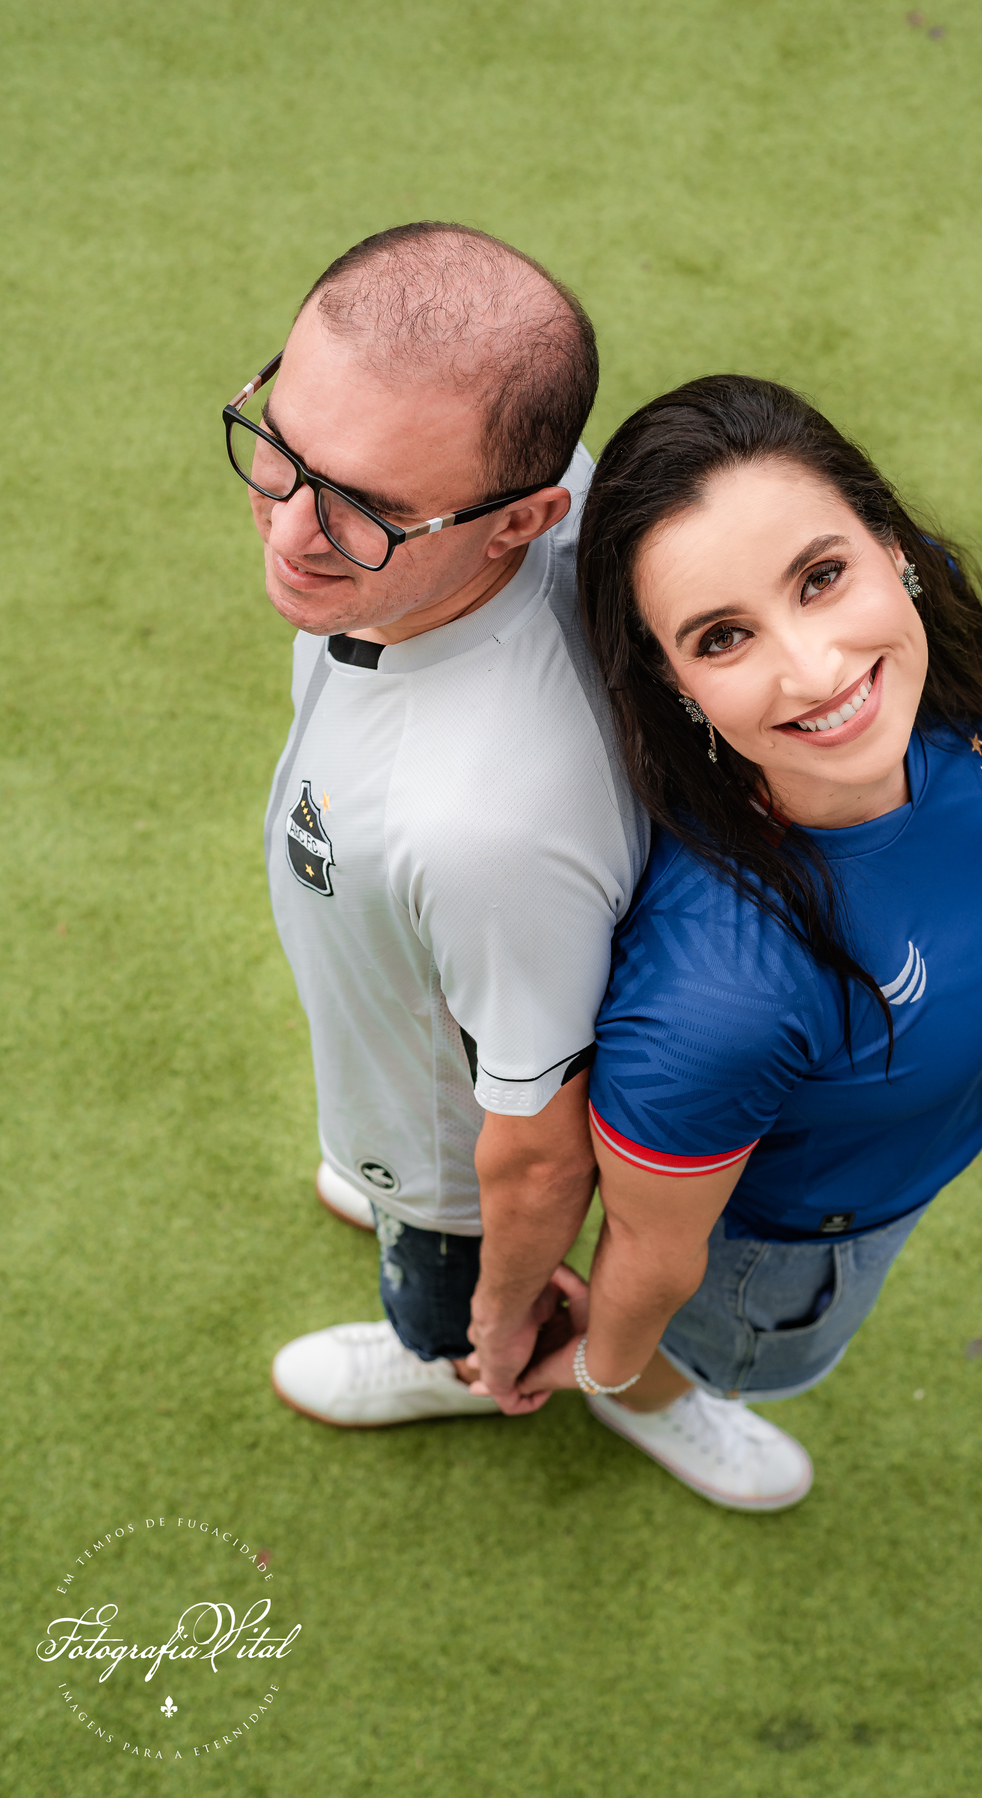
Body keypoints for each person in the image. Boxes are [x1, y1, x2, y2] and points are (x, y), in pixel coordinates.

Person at [491, 375, 982, 1511]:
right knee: (722, 1351)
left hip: (910, 1151)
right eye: (723, 636)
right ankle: (653, 1405)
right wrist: (607, 1360)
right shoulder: (722, 998)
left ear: (891, 543)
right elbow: (656, 1257)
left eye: (822, 576)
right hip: (793, 1242)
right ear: (676, 681)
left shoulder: (927, 638)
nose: (815, 671)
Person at [222, 223, 647, 1425]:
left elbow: (539, 1150)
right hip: (418, 1021)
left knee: (441, 1290)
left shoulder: (487, 827)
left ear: (525, 515)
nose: (293, 530)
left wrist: (503, 1304)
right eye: (284, 450)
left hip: (458, 1153)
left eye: (368, 508)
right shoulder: (496, 505)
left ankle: (442, 1360)